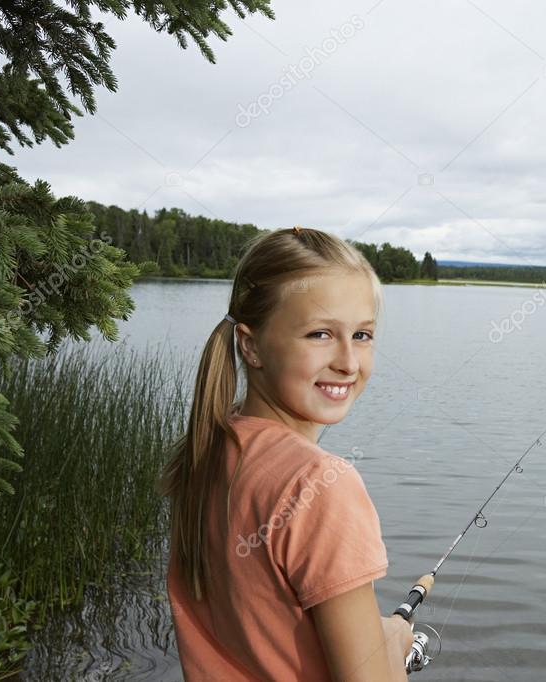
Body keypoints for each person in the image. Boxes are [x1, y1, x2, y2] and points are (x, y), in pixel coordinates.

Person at [160, 226, 414, 680]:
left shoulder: (210, 449)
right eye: (320, 334)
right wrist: (392, 645)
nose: (348, 362)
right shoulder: (321, 486)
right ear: (251, 344)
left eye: (362, 335)